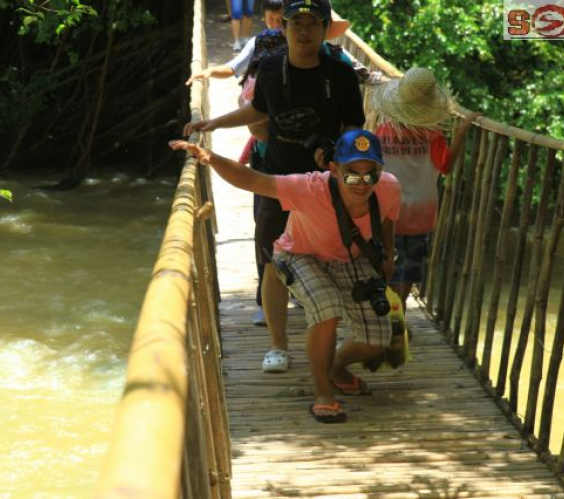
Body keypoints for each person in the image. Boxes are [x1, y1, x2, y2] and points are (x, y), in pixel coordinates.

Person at [169, 129, 401, 423]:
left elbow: (389, 221)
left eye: (371, 175)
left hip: (350, 261)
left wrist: (388, 256)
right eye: (352, 174)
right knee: (326, 306)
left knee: (377, 340)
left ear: (381, 172)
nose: (362, 183)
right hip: (299, 255)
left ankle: (335, 367)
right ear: (334, 169)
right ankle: (323, 394)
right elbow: (254, 180)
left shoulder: (389, 188)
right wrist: (210, 158)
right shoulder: (309, 187)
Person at [183, 0, 365, 374]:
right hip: (277, 179)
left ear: (324, 28)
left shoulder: (341, 74)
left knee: (329, 259)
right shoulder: (268, 68)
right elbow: (259, 111)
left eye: (312, 22)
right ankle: (278, 345)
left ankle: (328, 347)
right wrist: (213, 124)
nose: (303, 30)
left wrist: (342, 163)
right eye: (295, 22)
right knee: (272, 261)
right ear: (282, 28)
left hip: (325, 185)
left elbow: (353, 127)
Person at [370, 68, 481, 312]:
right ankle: (401, 315)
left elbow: (373, 168)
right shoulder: (433, 136)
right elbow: (446, 166)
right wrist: (462, 132)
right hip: (422, 211)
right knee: (411, 265)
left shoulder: (381, 134)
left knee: (389, 261)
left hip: (387, 212)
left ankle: (390, 313)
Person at [186, 0, 284, 87]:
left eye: (279, 20)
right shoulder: (256, 42)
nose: (275, 24)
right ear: (264, 17)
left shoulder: (296, 41)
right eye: (271, 19)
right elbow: (234, 67)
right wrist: (210, 71)